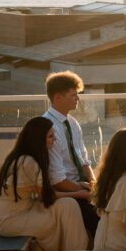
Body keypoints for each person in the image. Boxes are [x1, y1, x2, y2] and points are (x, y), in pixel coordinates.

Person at [0, 117, 88, 251]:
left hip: (25, 208)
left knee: (68, 205)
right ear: (38, 139)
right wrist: (80, 193)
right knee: (54, 224)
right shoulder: (28, 162)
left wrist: (78, 190)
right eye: (50, 136)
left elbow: (46, 193)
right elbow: (48, 197)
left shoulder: (26, 157)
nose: (54, 140)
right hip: (9, 219)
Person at [43, 71, 99, 239]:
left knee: (115, 202)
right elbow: (57, 180)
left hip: (80, 186)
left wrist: (94, 184)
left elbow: (84, 161)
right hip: (66, 191)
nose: (78, 99)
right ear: (58, 97)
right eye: (74, 95)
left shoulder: (72, 123)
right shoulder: (48, 129)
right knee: (100, 217)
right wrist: (85, 190)